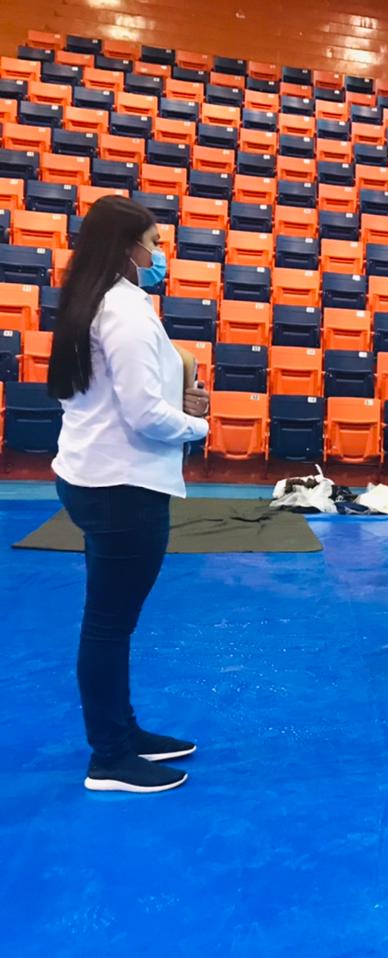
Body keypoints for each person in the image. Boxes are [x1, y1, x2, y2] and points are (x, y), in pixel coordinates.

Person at [48, 195, 211, 793]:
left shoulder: (92, 301)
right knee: (109, 625)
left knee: (109, 622)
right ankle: (110, 757)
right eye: (155, 243)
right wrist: (197, 426)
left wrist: (177, 400)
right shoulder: (125, 312)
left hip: (95, 475)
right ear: (128, 248)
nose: (161, 255)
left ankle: (122, 731)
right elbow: (145, 415)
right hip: (122, 484)